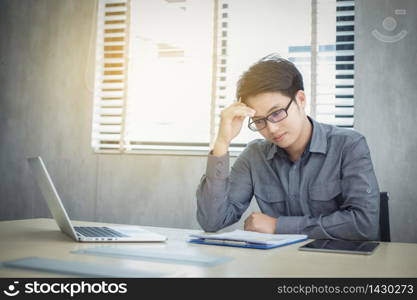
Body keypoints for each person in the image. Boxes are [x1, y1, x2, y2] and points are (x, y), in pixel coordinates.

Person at [196, 54, 380, 240]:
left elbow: (364, 225)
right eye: (259, 121)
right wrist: (222, 142)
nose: (271, 129)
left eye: (276, 113)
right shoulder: (254, 155)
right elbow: (212, 222)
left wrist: (278, 226)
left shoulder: (348, 145)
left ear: (300, 99)